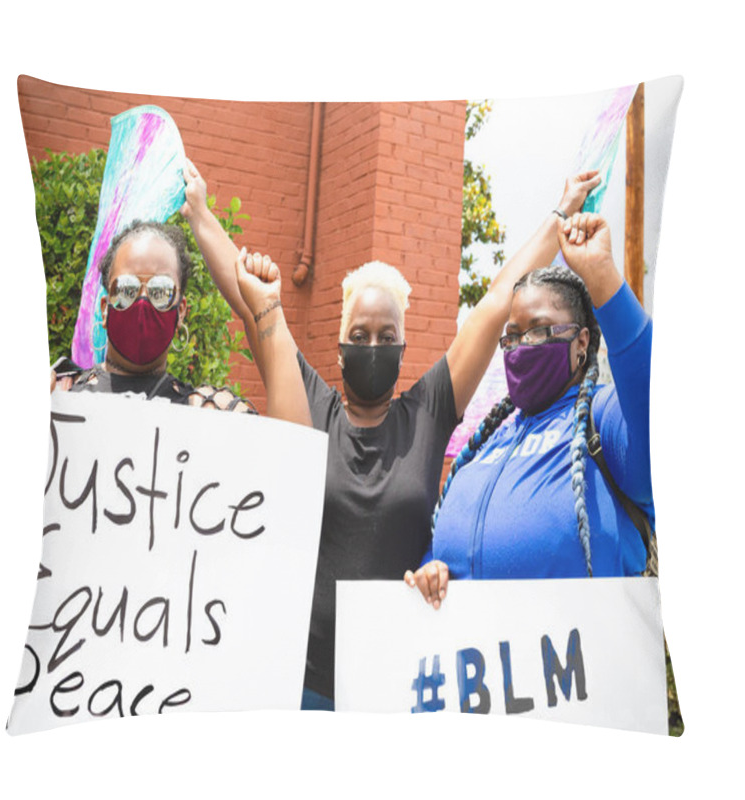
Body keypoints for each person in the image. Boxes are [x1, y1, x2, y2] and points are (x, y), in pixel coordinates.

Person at [181, 159, 601, 708]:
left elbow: (497, 302)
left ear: (404, 349)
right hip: (300, 682)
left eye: (387, 335)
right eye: (360, 334)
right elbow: (251, 301)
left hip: (397, 680)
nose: (373, 344)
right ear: (339, 347)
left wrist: (560, 212)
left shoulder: (428, 411)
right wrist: (198, 213)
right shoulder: (306, 399)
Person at [404, 213, 653, 609]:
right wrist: (429, 570)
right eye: (513, 336)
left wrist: (603, 278)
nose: (521, 346)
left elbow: (655, 408)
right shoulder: (487, 442)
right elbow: (442, 550)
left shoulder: (602, 420)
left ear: (580, 343)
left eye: (538, 330)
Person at [52, 210, 310, 426]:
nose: (143, 302)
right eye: (127, 289)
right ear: (105, 308)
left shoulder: (209, 413)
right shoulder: (59, 394)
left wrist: (268, 308)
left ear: (181, 310)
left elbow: (293, 462)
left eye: (160, 291)